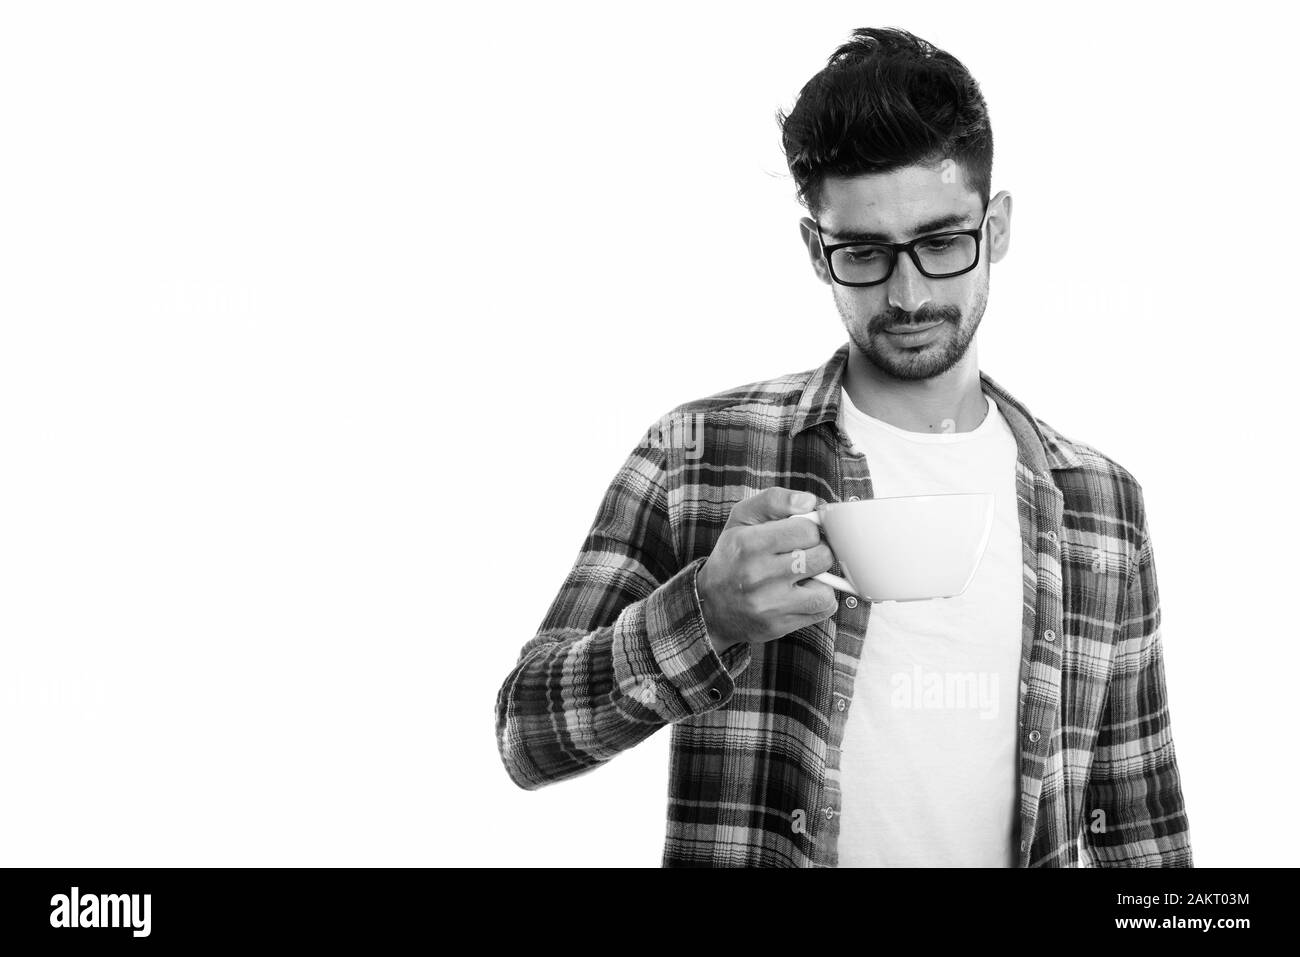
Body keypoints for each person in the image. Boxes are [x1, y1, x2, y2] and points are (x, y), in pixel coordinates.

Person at [494, 26, 1192, 868]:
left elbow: (1144, 834)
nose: (906, 294)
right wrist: (705, 615)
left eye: (941, 242)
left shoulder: (1101, 503)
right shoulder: (695, 454)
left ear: (996, 227)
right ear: (815, 251)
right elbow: (526, 735)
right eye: (863, 253)